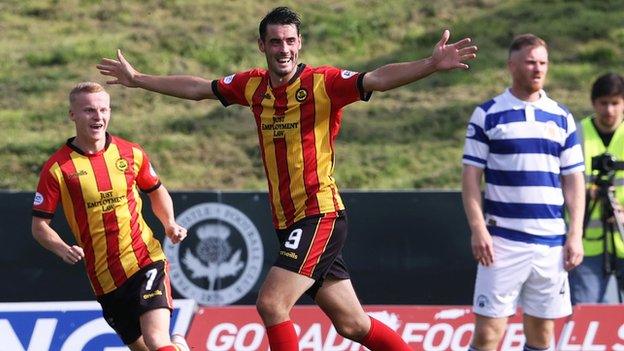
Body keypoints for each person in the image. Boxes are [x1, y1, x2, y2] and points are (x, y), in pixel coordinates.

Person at [97, 6, 477, 350]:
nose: (284, 49)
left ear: (300, 44)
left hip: (319, 214)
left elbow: (376, 78)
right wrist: (138, 78)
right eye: (275, 41)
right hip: (288, 221)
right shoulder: (252, 86)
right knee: (353, 324)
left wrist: (429, 64)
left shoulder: (324, 84)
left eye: (291, 41)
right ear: (262, 45)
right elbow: (199, 89)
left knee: (271, 303)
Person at [31, 82, 190, 351]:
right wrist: (61, 248)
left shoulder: (130, 153)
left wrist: (169, 223)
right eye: (89, 110)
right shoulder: (58, 168)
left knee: (156, 340)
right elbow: (39, 225)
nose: (98, 117)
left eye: (104, 110)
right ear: (73, 115)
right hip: (104, 279)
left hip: (144, 261)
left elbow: (156, 191)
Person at [461, 34, 585, 351]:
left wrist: (575, 235)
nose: (537, 69)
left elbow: (573, 181)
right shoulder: (487, 114)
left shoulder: (561, 117)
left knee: (542, 337)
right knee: (488, 335)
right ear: (511, 65)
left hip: (550, 243)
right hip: (501, 242)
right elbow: (471, 179)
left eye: (542, 62)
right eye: (530, 62)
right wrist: (478, 230)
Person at [569, 72, 624, 304]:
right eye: (603, 103)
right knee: (585, 314)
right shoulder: (577, 133)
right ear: (593, 103)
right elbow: (563, 182)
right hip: (586, 242)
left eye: (615, 103)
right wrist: (588, 193)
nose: (609, 110)